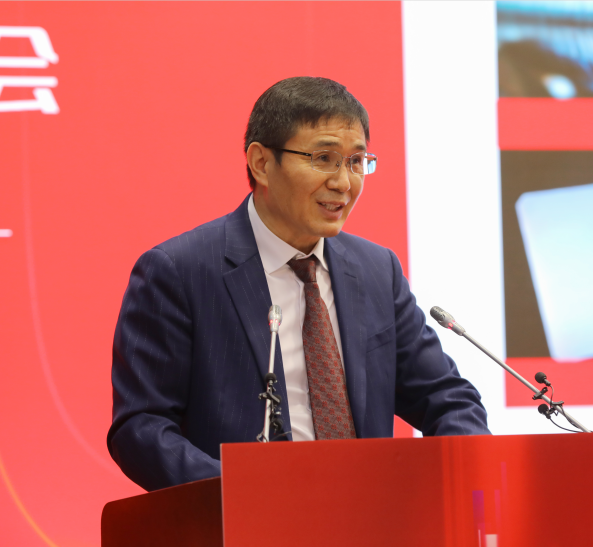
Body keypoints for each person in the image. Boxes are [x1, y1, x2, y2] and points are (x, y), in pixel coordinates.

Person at [107, 77, 490, 492]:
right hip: (243, 518)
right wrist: (246, 494)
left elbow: (448, 399)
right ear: (261, 163)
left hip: (371, 516)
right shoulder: (179, 272)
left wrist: (462, 476)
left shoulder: (377, 271)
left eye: (356, 161)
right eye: (324, 158)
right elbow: (141, 428)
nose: (343, 182)